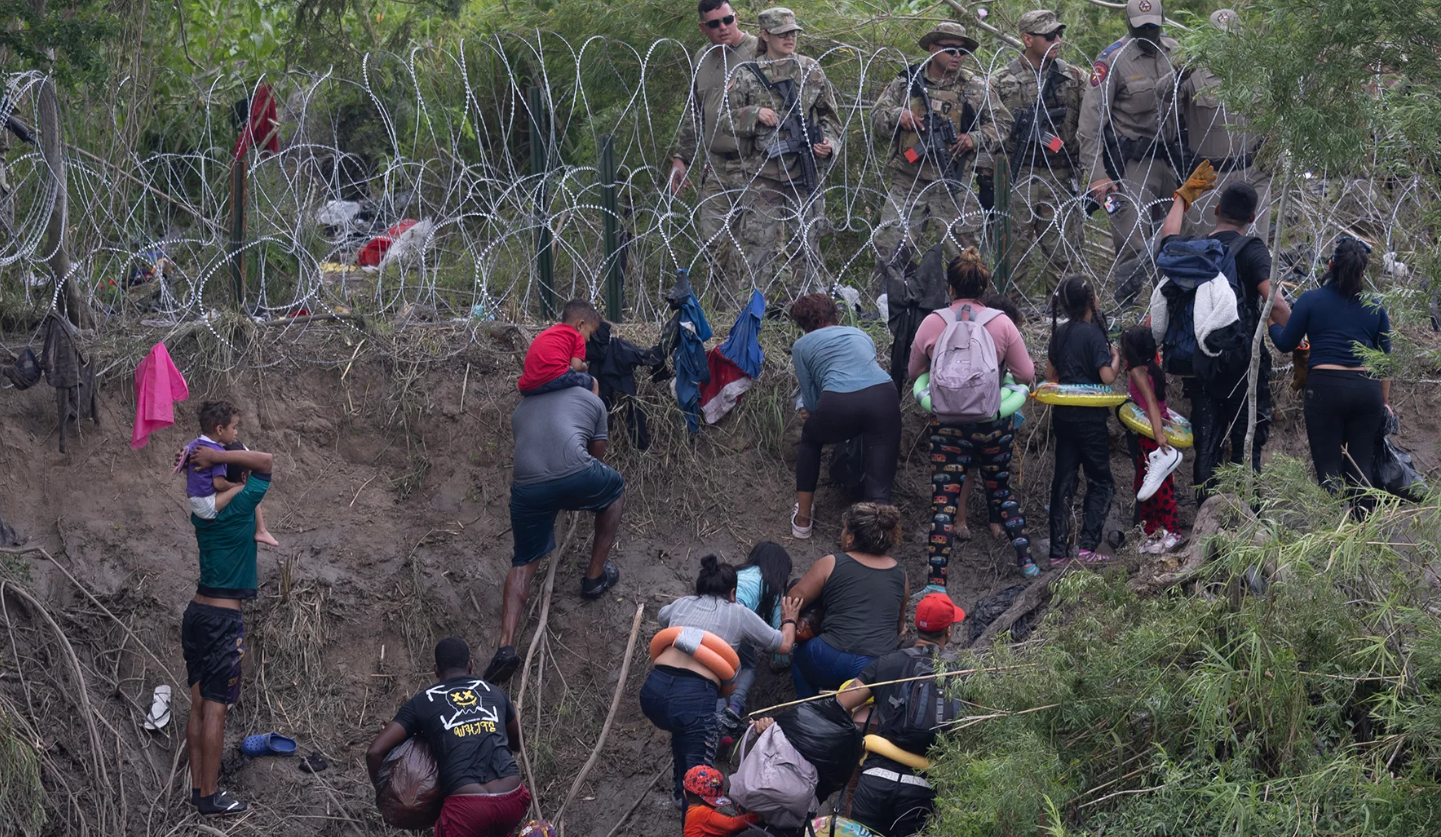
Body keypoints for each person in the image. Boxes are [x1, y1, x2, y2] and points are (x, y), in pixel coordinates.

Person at [907, 248, 1038, 587]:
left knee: (944, 504)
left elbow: (914, 372)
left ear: (949, 287)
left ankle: (936, 582)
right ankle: (1027, 563)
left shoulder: (932, 322)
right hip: (993, 424)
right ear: (984, 287)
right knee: (1002, 493)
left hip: (947, 427)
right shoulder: (1002, 323)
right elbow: (1026, 374)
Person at [1156, 172, 1290, 500]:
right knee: (1246, 443)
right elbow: (1276, 304)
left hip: (1202, 360)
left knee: (1207, 444)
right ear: (1253, 218)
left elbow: (1168, 237)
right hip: (1242, 365)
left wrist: (1183, 197)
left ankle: (1206, 513)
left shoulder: (1198, 250)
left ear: (1216, 210)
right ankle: (1247, 513)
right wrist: (1298, 338)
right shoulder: (1253, 249)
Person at [487, 385, 624, 683]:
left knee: (523, 561)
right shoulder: (591, 399)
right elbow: (596, 457)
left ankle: (505, 647)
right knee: (614, 489)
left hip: (528, 487)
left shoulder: (521, 409)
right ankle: (594, 577)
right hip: (575, 474)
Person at [644, 555, 802, 806]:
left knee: (681, 733)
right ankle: (692, 807)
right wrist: (789, 619)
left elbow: (663, 617)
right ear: (732, 593)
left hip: (653, 691)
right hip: (693, 698)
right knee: (700, 784)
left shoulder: (682, 603)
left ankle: (678, 793)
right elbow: (783, 645)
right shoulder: (738, 612)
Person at [177, 442, 276, 815]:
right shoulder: (243, 503)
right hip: (222, 620)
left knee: (199, 705)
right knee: (216, 709)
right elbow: (266, 463)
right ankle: (210, 796)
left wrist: (204, 459)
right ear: (243, 477)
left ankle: (198, 790)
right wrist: (221, 457)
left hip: (196, 614)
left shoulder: (202, 510)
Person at [872, 22, 1011, 269]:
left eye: (962, 51)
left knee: (967, 260)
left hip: (953, 181)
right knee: (889, 251)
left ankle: (966, 295)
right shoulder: (907, 82)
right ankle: (890, 295)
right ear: (933, 49)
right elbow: (877, 117)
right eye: (950, 49)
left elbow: (1003, 124)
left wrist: (973, 139)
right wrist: (897, 115)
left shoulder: (975, 87)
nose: (957, 55)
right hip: (909, 180)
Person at [724, 8, 843, 297]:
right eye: (782, 34)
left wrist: (829, 144)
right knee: (758, 247)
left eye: (793, 33)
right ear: (765, 35)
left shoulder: (810, 70)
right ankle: (752, 312)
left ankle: (809, 308)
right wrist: (754, 114)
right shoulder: (746, 74)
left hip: (803, 172)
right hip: (763, 176)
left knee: (807, 244)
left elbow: (830, 118)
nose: (790, 38)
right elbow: (726, 119)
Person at [1268, 237, 1391, 514]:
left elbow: (1286, 342)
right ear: (1362, 272)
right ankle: (1364, 533)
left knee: (1329, 470)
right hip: (1366, 391)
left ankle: (1331, 531)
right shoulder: (1376, 306)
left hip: (1325, 390)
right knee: (1361, 468)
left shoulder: (1311, 300)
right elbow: (1385, 363)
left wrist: (1271, 323)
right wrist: (1384, 402)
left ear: (1331, 264)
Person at [1076, 0, 1183, 309]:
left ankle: (1169, 310)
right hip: (1132, 164)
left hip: (1172, 160)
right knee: (1133, 242)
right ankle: (1127, 312)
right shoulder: (1112, 61)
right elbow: (1090, 124)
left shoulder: (1176, 52)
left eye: (1153, 25)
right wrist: (1097, 176)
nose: (1148, 31)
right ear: (1128, 23)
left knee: (1175, 241)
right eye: (1141, 26)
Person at [365, 638, 530, 837]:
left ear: (436, 670)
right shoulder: (494, 692)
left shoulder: (422, 702)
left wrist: (387, 799)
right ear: (470, 666)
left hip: (467, 810)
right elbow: (518, 742)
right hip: (512, 799)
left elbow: (374, 752)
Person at [836, 592, 965, 837]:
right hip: (922, 787)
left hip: (875, 779)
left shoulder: (886, 663)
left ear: (917, 626)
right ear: (948, 631)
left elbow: (840, 704)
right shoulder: (962, 672)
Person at [788, 294, 900, 539]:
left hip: (839, 402)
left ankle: (803, 519)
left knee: (810, 437)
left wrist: (811, 411)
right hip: (884, 397)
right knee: (879, 484)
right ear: (835, 314)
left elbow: (812, 401)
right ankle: (876, 539)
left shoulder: (801, 346)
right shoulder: (860, 334)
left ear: (802, 324)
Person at [990, 9, 1086, 295]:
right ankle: (1009, 312)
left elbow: (1092, 123)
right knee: (1012, 254)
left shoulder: (1073, 77)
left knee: (1063, 253)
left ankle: (1064, 311)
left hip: (1060, 174)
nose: (1057, 40)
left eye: (1059, 34)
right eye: (1049, 36)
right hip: (1019, 174)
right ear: (1027, 39)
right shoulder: (1001, 80)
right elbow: (988, 129)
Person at [670, 0, 761, 298]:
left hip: (754, 162)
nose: (723, 27)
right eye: (714, 24)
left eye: (727, 20)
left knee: (755, 241)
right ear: (703, 28)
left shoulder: (758, 50)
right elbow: (694, 112)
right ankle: (722, 310)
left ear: (736, 17)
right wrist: (681, 159)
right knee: (714, 242)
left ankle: (754, 308)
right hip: (717, 165)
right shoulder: (702, 58)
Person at [788, 503, 908, 698]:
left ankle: (808, 707)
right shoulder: (901, 574)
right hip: (877, 668)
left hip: (829, 657)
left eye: (844, 530)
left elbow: (793, 599)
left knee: (801, 658)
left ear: (851, 538)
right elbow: (898, 626)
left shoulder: (831, 563)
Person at [1178, 10, 1271, 241]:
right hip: (1208, 179)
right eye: (1219, 39)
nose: (1226, 45)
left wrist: (1271, 157)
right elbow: (1164, 100)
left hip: (1251, 175)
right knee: (1204, 249)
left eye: (1232, 38)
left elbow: (1275, 118)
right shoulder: (1192, 75)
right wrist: (1177, 75)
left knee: (1252, 248)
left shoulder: (1258, 74)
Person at [1046, 276, 1119, 565]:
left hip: (1064, 417)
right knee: (1100, 481)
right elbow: (1107, 377)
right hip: (1090, 420)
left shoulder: (1060, 333)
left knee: (1063, 481)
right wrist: (1116, 357)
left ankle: (1057, 552)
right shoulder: (1094, 334)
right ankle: (1088, 546)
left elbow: (1050, 376)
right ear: (1091, 302)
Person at [181, 401, 279, 546]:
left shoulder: (194, 445)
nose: (236, 432)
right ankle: (261, 530)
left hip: (194, 504)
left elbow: (185, 466)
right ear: (220, 429)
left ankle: (262, 530)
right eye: (234, 427)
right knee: (245, 487)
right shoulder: (216, 453)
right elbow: (219, 484)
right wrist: (235, 485)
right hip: (207, 507)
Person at [1120, 326, 1182, 553]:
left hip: (1153, 436)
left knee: (1159, 486)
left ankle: (1172, 531)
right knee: (1144, 485)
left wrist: (1159, 436)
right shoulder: (1151, 367)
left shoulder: (1138, 372)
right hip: (1151, 433)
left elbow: (1152, 404)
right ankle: (1152, 531)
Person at [726, 541, 794, 734]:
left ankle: (718, 715)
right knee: (747, 665)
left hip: (716, 617)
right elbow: (778, 633)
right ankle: (735, 707)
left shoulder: (737, 572)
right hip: (737, 621)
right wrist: (781, 662)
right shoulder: (772, 586)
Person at [516, 299, 601, 397]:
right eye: (590, 333)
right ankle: (594, 406)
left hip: (528, 386)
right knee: (593, 383)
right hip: (556, 377)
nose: (589, 339)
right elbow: (576, 366)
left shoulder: (551, 332)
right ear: (580, 325)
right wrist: (584, 366)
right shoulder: (577, 336)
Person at [682, 765, 761, 837]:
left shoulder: (692, 812)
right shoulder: (702, 812)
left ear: (685, 794)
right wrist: (757, 816)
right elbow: (731, 824)